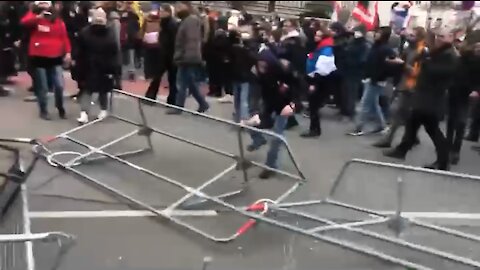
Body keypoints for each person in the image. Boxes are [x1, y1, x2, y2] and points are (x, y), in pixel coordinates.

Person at [384, 26, 459, 171]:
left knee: (432, 129)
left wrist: (426, 63)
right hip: (424, 96)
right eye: (438, 36)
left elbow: (442, 73)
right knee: (412, 123)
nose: (439, 39)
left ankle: (443, 161)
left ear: (451, 38)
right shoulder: (438, 52)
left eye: (443, 36)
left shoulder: (450, 55)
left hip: (432, 98)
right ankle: (402, 149)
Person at [247, 47, 299, 179]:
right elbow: (254, 93)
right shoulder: (256, 70)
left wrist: (293, 105)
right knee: (249, 123)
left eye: (265, 66)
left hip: (284, 104)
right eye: (260, 65)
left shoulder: (284, 68)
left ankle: (271, 166)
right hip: (268, 101)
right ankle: (259, 140)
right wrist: (254, 112)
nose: (262, 68)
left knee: (277, 136)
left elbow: (298, 87)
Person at [373, 27, 427, 148]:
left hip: (412, 87)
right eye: (410, 35)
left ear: (419, 38)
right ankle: (412, 137)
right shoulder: (409, 49)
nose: (409, 37)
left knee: (398, 112)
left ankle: (389, 140)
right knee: (405, 114)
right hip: (403, 85)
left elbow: (415, 72)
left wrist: (402, 64)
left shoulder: (421, 51)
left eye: (413, 36)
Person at [21, 0, 71, 120]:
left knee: (59, 85)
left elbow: (64, 37)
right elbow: (24, 22)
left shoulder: (57, 19)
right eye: (41, 3)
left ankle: (60, 106)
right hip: (39, 55)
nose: (44, 6)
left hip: (55, 55)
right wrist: (38, 17)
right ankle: (43, 110)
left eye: (46, 3)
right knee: (42, 86)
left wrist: (68, 52)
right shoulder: (33, 15)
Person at [347, 27, 395, 136]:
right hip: (371, 78)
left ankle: (359, 127)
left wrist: (378, 76)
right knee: (373, 103)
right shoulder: (375, 46)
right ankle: (381, 125)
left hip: (377, 80)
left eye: (379, 33)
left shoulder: (386, 49)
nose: (376, 34)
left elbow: (388, 66)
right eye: (376, 32)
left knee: (365, 104)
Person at [75, 8, 119, 124]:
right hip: (93, 66)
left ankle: (93, 112)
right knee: (94, 90)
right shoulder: (107, 33)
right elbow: (114, 52)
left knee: (95, 90)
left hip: (98, 66)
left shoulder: (86, 32)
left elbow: (114, 52)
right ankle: (91, 112)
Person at [167, 2, 209, 114]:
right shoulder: (187, 20)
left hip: (187, 57)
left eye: (179, 7)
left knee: (182, 82)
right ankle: (202, 103)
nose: (177, 9)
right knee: (189, 82)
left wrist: (185, 56)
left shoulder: (190, 21)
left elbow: (192, 41)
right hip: (186, 56)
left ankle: (179, 107)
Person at [446, 30, 480, 164]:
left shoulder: (476, 62)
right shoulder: (460, 59)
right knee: (451, 121)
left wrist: (476, 90)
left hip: (466, 94)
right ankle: (448, 147)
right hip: (454, 92)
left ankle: (455, 150)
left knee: (460, 122)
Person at [301, 27, 337, 138]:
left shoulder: (326, 49)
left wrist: (314, 84)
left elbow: (322, 69)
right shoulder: (322, 47)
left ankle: (314, 130)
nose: (315, 37)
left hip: (319, 82)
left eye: (318, 35)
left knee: (313, 107)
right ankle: (316, 129)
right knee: (313, 107)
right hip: (317, 80)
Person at [144, 4, 178, 105]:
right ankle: (151, 96)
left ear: (168, 12)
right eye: (160, 11)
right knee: (157, 76)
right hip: (163, 53)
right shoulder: (164, 22)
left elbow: (173, 39)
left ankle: (172, 100)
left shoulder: (172, 24)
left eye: (163, 11)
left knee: (171, 79)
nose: (161, 13)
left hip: (170, 54)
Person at [342, 25, 369, 121]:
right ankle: (346, 110)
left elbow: (363, 60)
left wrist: (350, 62)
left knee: (352, 93)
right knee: (347, 92)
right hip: (348, 70)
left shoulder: (364, 45)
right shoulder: (352, 42)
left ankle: (350, 112)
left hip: (355, 72)